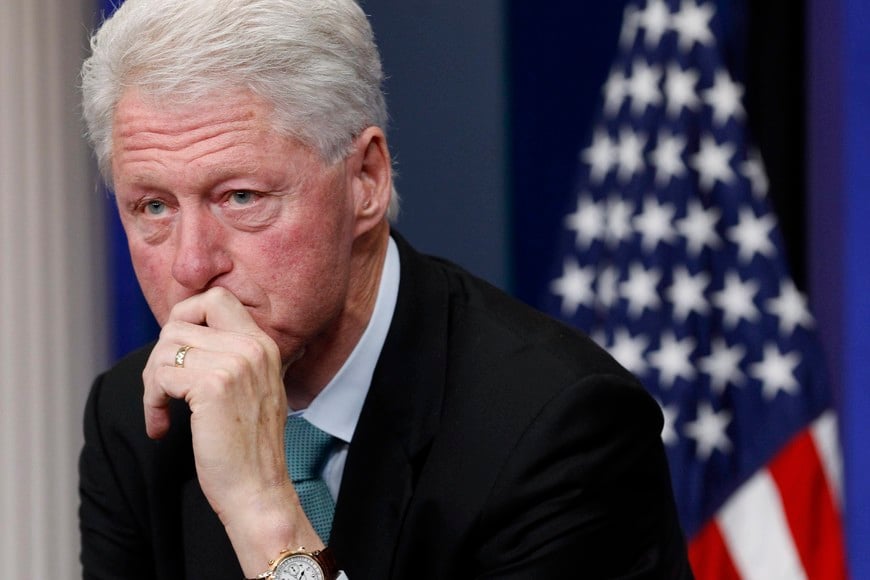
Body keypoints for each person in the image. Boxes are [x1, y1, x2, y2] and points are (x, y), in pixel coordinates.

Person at [78, 0, 694, 578]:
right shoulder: (133, 417)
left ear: (366, 180)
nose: (190, 264)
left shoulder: (559, 427)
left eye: (241, 197)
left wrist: (263, 512)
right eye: (153, 206)